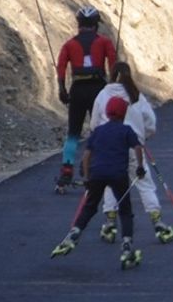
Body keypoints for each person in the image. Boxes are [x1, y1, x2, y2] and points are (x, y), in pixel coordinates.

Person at [50, 95, 145, 270]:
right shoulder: (126, 130)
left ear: (107, 112)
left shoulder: (98, 131)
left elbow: (86, 155)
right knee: (125, 210)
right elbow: (138, 148)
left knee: (90, 207)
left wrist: (87, 177)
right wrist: (140, 167)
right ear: (123, 113)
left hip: (97, 173)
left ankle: (74, 233)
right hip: (118, 174)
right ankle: (126, 245)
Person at [89, 62, 173, 244]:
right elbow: (150, 123)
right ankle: (157, 220)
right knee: (145, 183)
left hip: (111, 147)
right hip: (133, 146)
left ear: (111, 74)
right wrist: (144, 137)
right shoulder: (136, 96)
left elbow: (94, 124)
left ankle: (110, 221)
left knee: (110, 183)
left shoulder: (103, 94)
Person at [55, 5, 116, 192]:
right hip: (98, 89)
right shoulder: (104, 42)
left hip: (78, 89)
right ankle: (94, 165)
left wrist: (62, 88)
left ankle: (67, 170)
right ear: (96, 25)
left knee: (73, 132)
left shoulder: (69, 45)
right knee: (99, 130)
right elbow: (113, 64)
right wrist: (112, 85)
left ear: (79, 24)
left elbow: (61, 66)